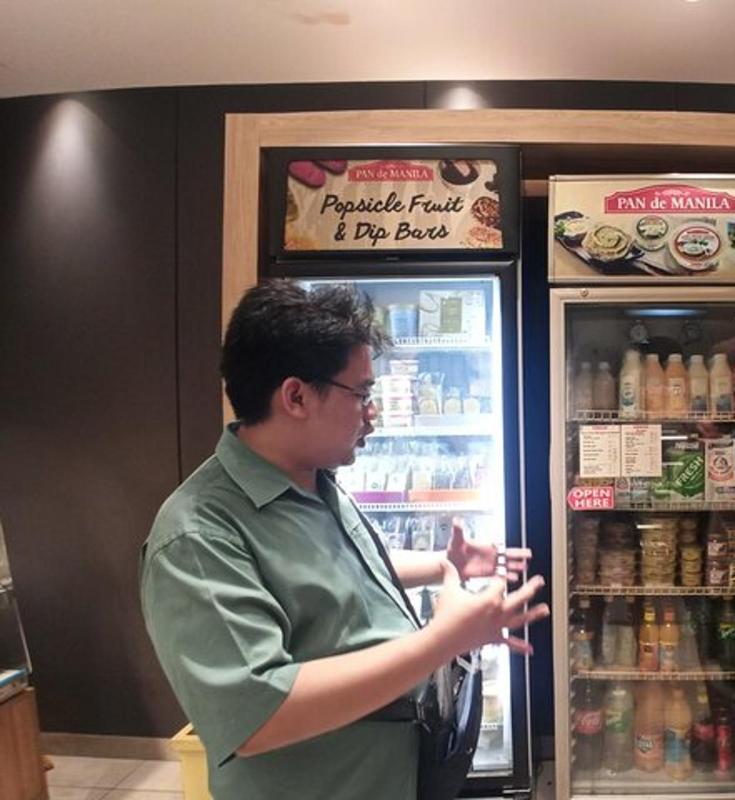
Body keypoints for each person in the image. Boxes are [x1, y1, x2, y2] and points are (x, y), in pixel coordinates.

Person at [140, 280, 549, 800]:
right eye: (361, 394)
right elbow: (259, 715)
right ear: (296, 396)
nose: (371, 413)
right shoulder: (195, 536)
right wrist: (443, 640)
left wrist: (440, 563)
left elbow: (335, 569)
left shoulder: (312, 479)